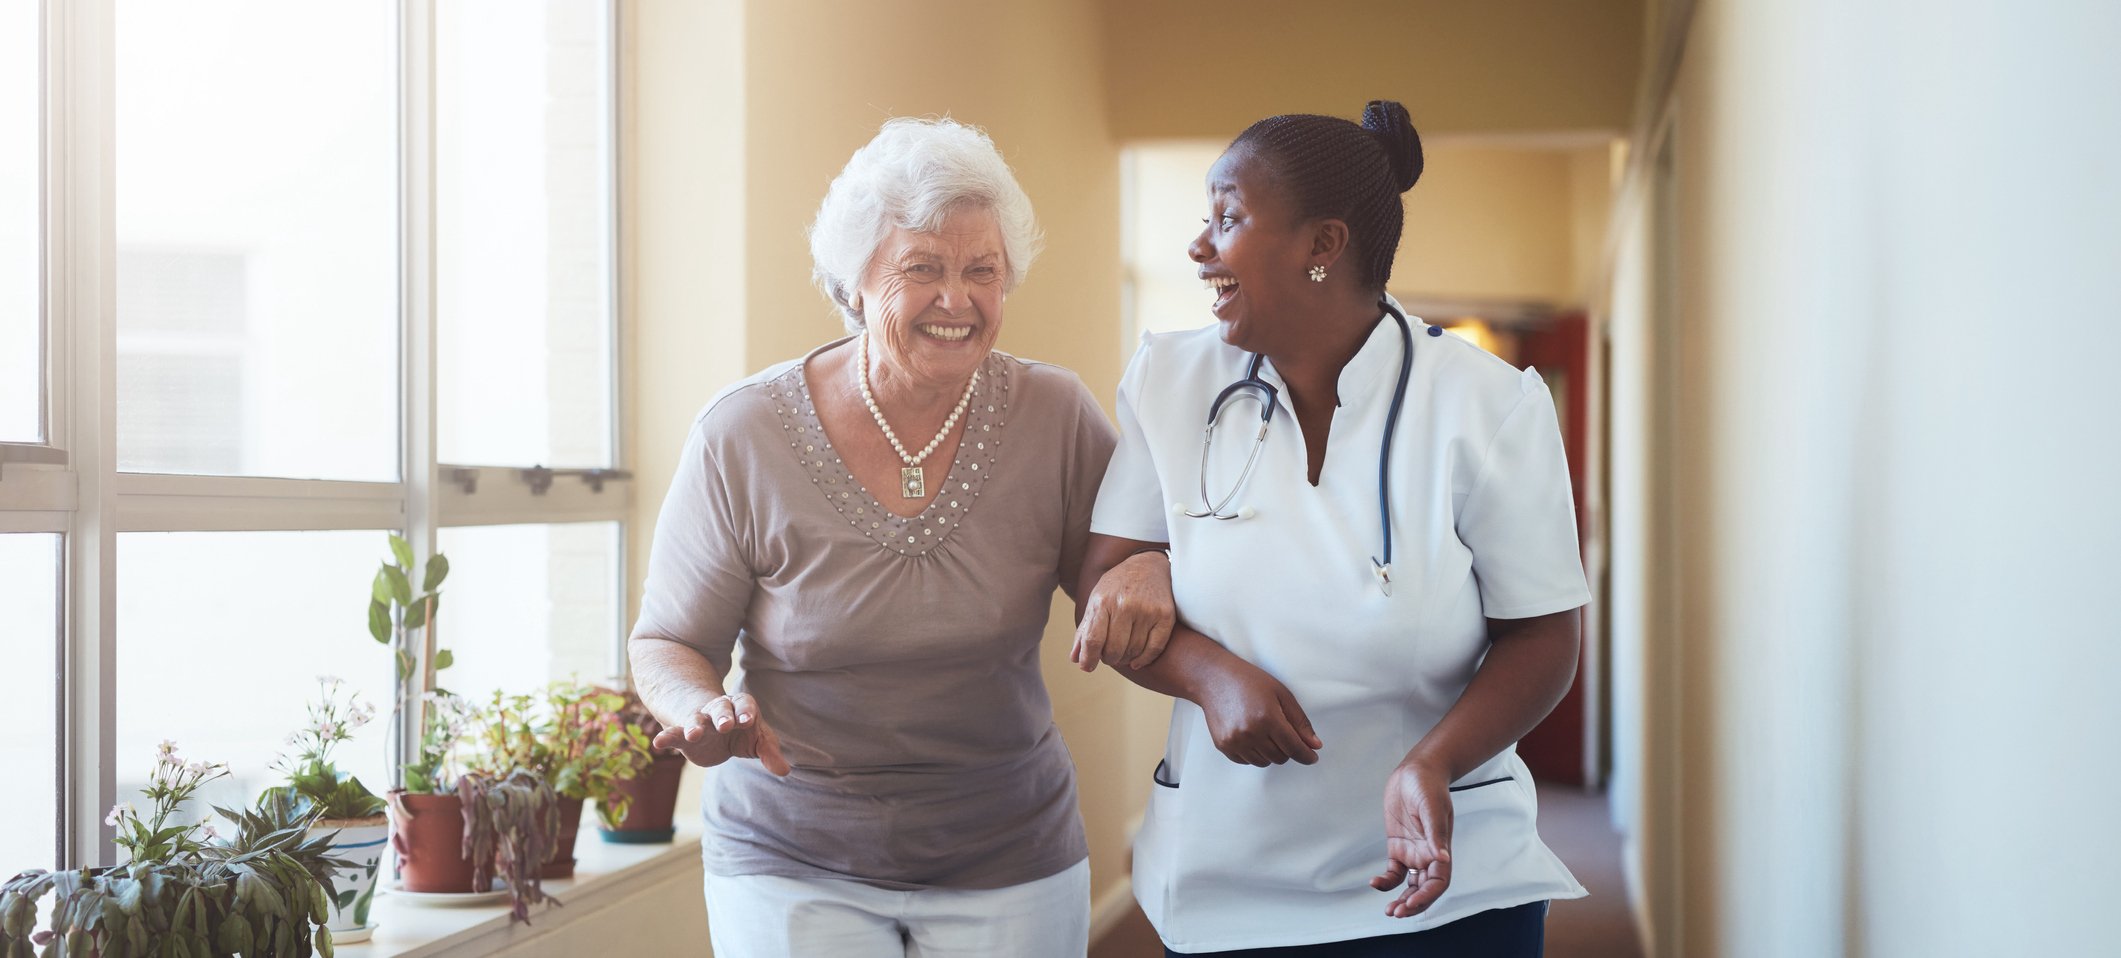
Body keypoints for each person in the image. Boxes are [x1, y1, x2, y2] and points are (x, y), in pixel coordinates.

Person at [1074, 100, 1589, 956]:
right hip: (1226, 879)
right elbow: (1106, 589)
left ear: (1323, 245)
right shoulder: (1170, 380)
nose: (1199, 246)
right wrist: (1210, 676)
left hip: (1444, 875)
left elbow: (1542, 634)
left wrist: (1433, 762)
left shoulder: (1487, 405)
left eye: (1228, 218)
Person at [627, 117, 1142, 958]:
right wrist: (702, 706)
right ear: (853, 282)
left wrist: (1143, 569)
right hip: (791, 852)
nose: (958, 299)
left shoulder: (1054, 417)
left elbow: (1123, 573)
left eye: (983, 271)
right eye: (922, 268)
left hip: (1007, 849)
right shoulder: (744, 433)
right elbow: (669, 639)